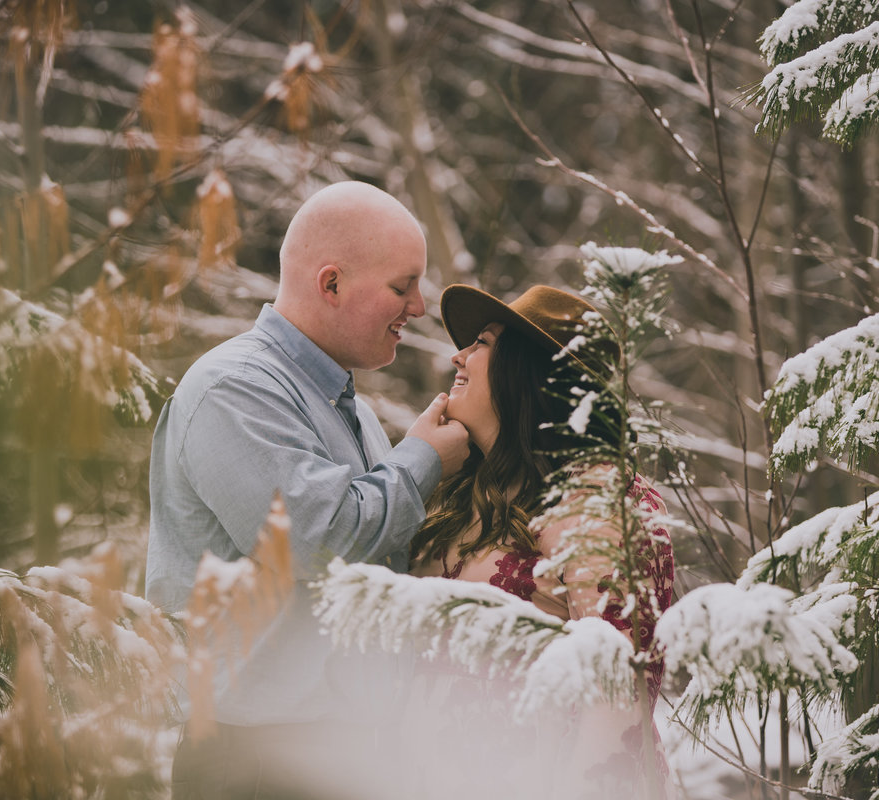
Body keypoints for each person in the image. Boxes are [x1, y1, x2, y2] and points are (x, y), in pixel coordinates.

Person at [145, 181, 470, 799]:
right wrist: (427, 459)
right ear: (332, 284)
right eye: (403, 287)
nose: (420, 308)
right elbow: (317, 540)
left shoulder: (353, 412)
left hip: (337, 755)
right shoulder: (233, 390)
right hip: (258, 764)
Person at [409, 283, 675, 796]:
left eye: (482, 343)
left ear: (528, 372)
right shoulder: (468, 495)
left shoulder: (598, 498)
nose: (457, 354)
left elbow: (617, 697)